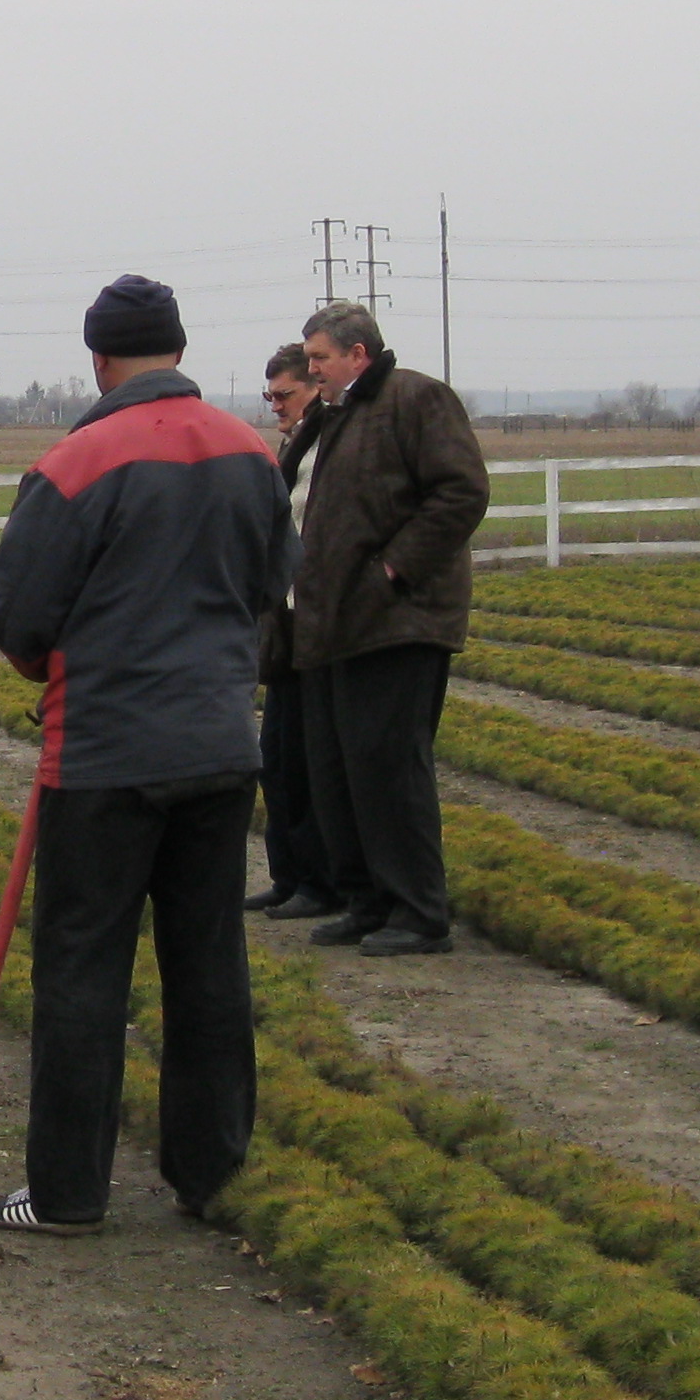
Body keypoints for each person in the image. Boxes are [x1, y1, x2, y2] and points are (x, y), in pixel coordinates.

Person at [0, 275, 292, 1233]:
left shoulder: (76, 462)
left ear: (100, 359)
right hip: (221, 747)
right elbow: (275, 592)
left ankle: (69, 1194)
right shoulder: (255, 456)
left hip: (104, 757)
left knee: (82, 968)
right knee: (208, 960)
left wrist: (53, 666)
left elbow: (20, 615)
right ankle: (210, 1174)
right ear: (182, 352)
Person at [286, 301, 491, 957]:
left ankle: (418, 912)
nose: (310, 367)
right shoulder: (333, 415)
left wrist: (392, 574)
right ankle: (366, 900)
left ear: (358, 355)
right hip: (330, 623)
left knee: (389, 769)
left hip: (399, 621)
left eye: (319, 357)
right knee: (339, 769)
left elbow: (460, 493)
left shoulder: (417, 400)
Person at [246, 344, 343, 921]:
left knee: (307, 760)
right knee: (276, 757)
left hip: (317, 626)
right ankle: (289, 875)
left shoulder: (331, 443)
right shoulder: (296, 445)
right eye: (270, 397)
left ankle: (320, 881)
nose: (275, 406)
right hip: (286, 623)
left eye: (284, 395)